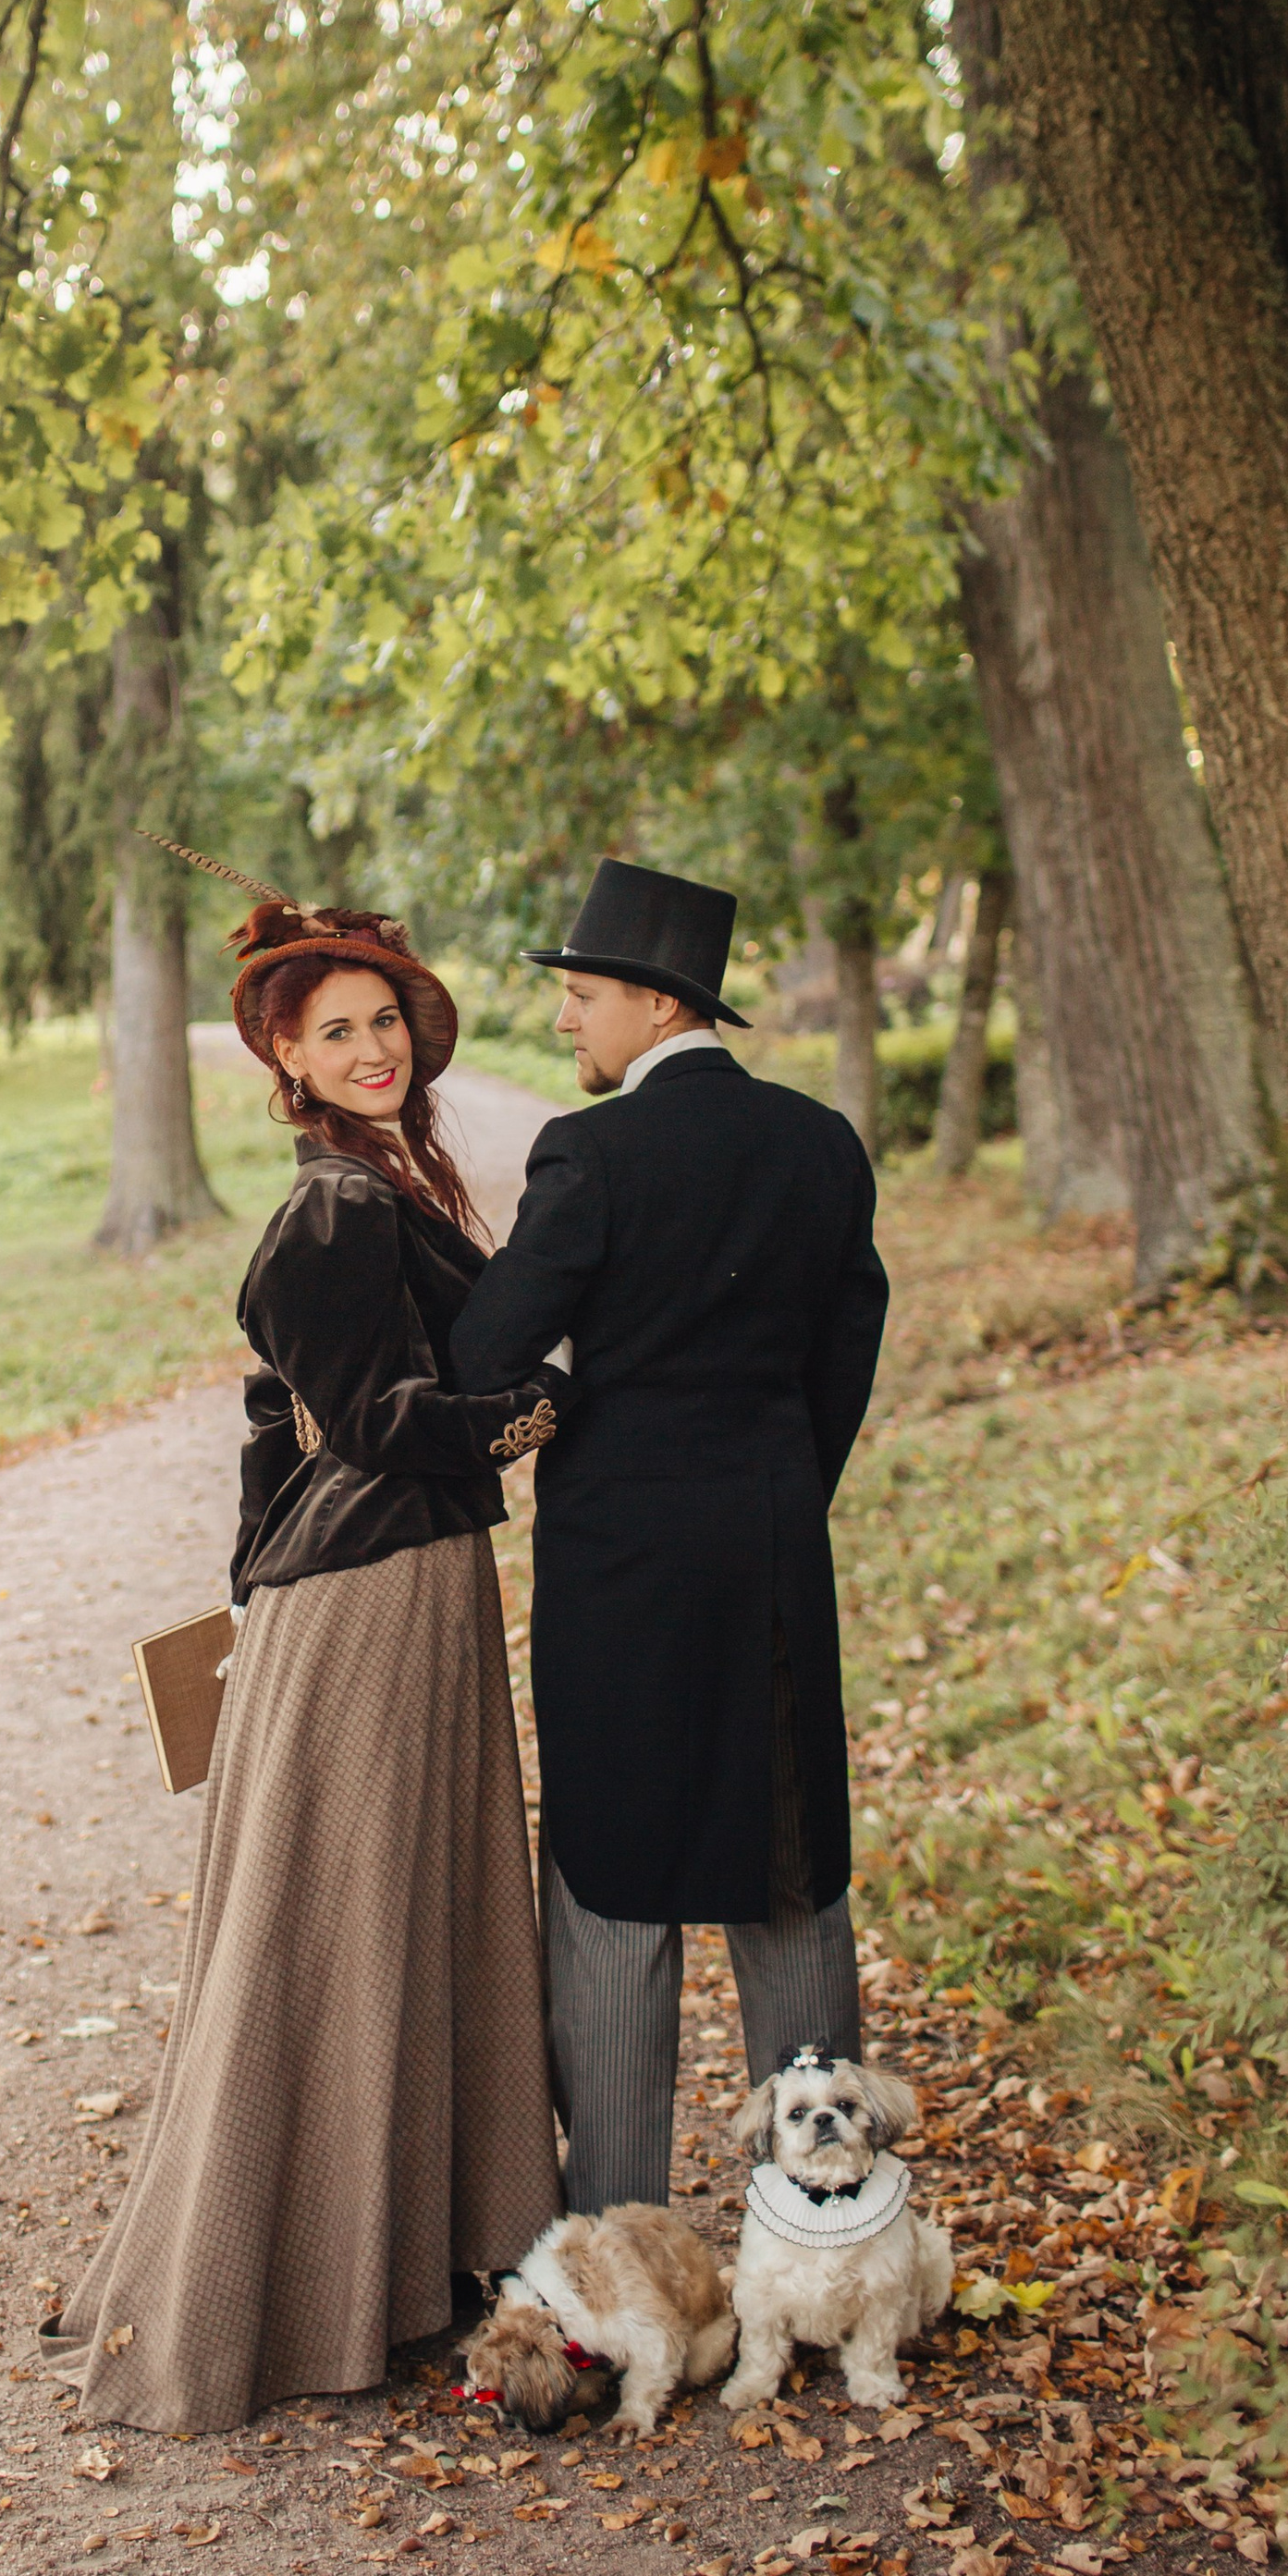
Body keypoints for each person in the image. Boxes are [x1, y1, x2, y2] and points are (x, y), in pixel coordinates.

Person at [42, 867, 566, 2430]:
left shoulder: (381, 1185)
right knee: (343, 1915)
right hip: (376, 1590)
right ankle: (296, 2280)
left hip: (376, 1582)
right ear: (286, 1061)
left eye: (383, 1019)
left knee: (392, 1906)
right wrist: (543, 1408)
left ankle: (395, 2258)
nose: (372, 1046)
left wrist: (250, 1587)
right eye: (336, 1030)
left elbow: (278, 1425)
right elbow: (384, 1421)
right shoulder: (338, 1200)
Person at [452, 855, 889, 2215]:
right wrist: (772, 1483)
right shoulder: (820, 1144)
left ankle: (616, 2246)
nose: (565, 1023)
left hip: (623, 1574)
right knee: (789, 1872)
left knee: (615, 1884)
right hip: (769, 1553)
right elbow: (847, 1353)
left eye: (581, 997)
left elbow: (483, 1346)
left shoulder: (592, 1152)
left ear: (652, 1003)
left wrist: (568, 1409)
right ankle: (826, 2223)